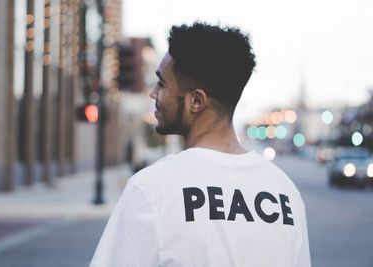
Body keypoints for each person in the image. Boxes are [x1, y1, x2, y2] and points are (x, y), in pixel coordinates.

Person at [90, 22, 310, 267]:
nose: (153, 94)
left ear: (196, 101)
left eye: (162, 84)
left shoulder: (151, 189)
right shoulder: (285, 194)